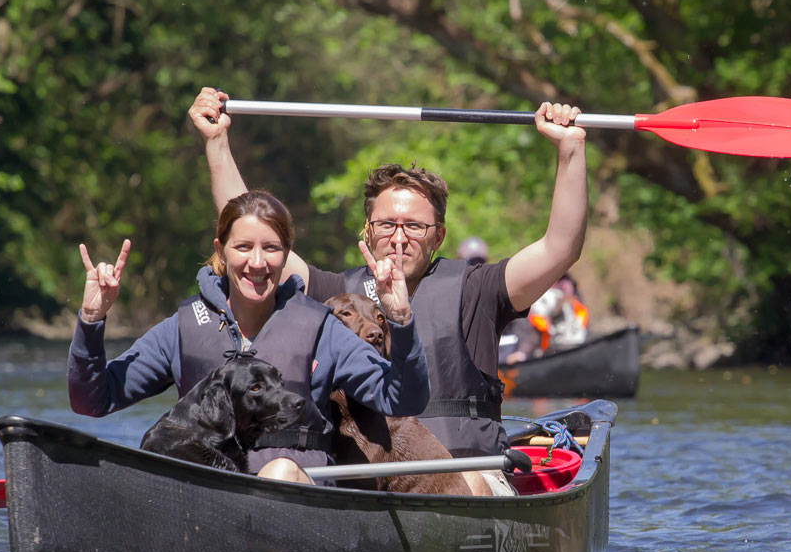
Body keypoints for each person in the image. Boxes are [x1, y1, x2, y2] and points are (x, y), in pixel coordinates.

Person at [188, 88, 588, 492]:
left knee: (466, 482)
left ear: (439, 237)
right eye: (386, 225)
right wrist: (217, 143)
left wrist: (569, 151)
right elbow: (251, 234)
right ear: (368, 231)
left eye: (414, 226)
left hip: (468, 479)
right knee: (278, 471)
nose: (399, 238)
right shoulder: (333, 293)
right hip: (360, 481)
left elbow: (560, 248)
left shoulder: (479, 290)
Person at [67, 190, 430, 484]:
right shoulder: (181, 328)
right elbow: (92, 401)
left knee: (280, 472)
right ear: (222, 250)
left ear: (286, 254)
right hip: (208, 493)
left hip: (296, 494)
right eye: (243, 247)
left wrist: (400, 319)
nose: (257, 263)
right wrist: (91, 320)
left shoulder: (322, 329)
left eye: (271, 248)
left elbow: (404, 399)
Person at [501, 273, 589, 363]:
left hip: (578, 348)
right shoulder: (535, 303)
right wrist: (521, 354)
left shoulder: (570, 293)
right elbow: (532, 336)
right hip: (551, 355)